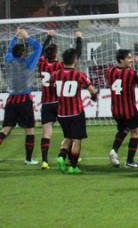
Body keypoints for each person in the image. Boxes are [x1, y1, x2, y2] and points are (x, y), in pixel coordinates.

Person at [37, 29, 82, 169]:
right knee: (68, 133)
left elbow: (42, 50)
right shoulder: (60, 66)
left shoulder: (41, 63)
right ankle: (70, 158)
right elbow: (76, 55)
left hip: (46, 102)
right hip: (60, 103)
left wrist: (48, 37)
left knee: (46, 132)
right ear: (56, 54)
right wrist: (79, 39)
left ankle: (44, 161)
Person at [0, 28, 43, 166]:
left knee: (6, 129)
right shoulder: (28, 63)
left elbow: (9, 50)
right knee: (29, 130)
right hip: (24, 100)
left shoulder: (8, 60)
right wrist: (27, 37)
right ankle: (29, 159)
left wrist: (15, 37)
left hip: (11, 100)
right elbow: (39, 47)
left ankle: (29, 159)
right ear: (23, 54)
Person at [52, 47, 99, 174]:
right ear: (75, 60)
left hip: (62, 113)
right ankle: (73, 166)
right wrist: (94, 97)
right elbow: (92, 90)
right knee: (77, 139)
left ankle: (61, 157)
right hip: (76, 112)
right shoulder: (79, 75)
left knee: (68, 137)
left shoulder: (56, 74)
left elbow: (52, 85)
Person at [106, 49, 138, 168]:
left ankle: (114, 150)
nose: (131, 60)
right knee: (135, 132)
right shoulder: (130, 73)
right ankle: (129, 161)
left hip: (116, 109)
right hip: (129, 109)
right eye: (128, 58)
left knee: (123, 130)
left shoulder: (110, 71)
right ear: (121, 60)